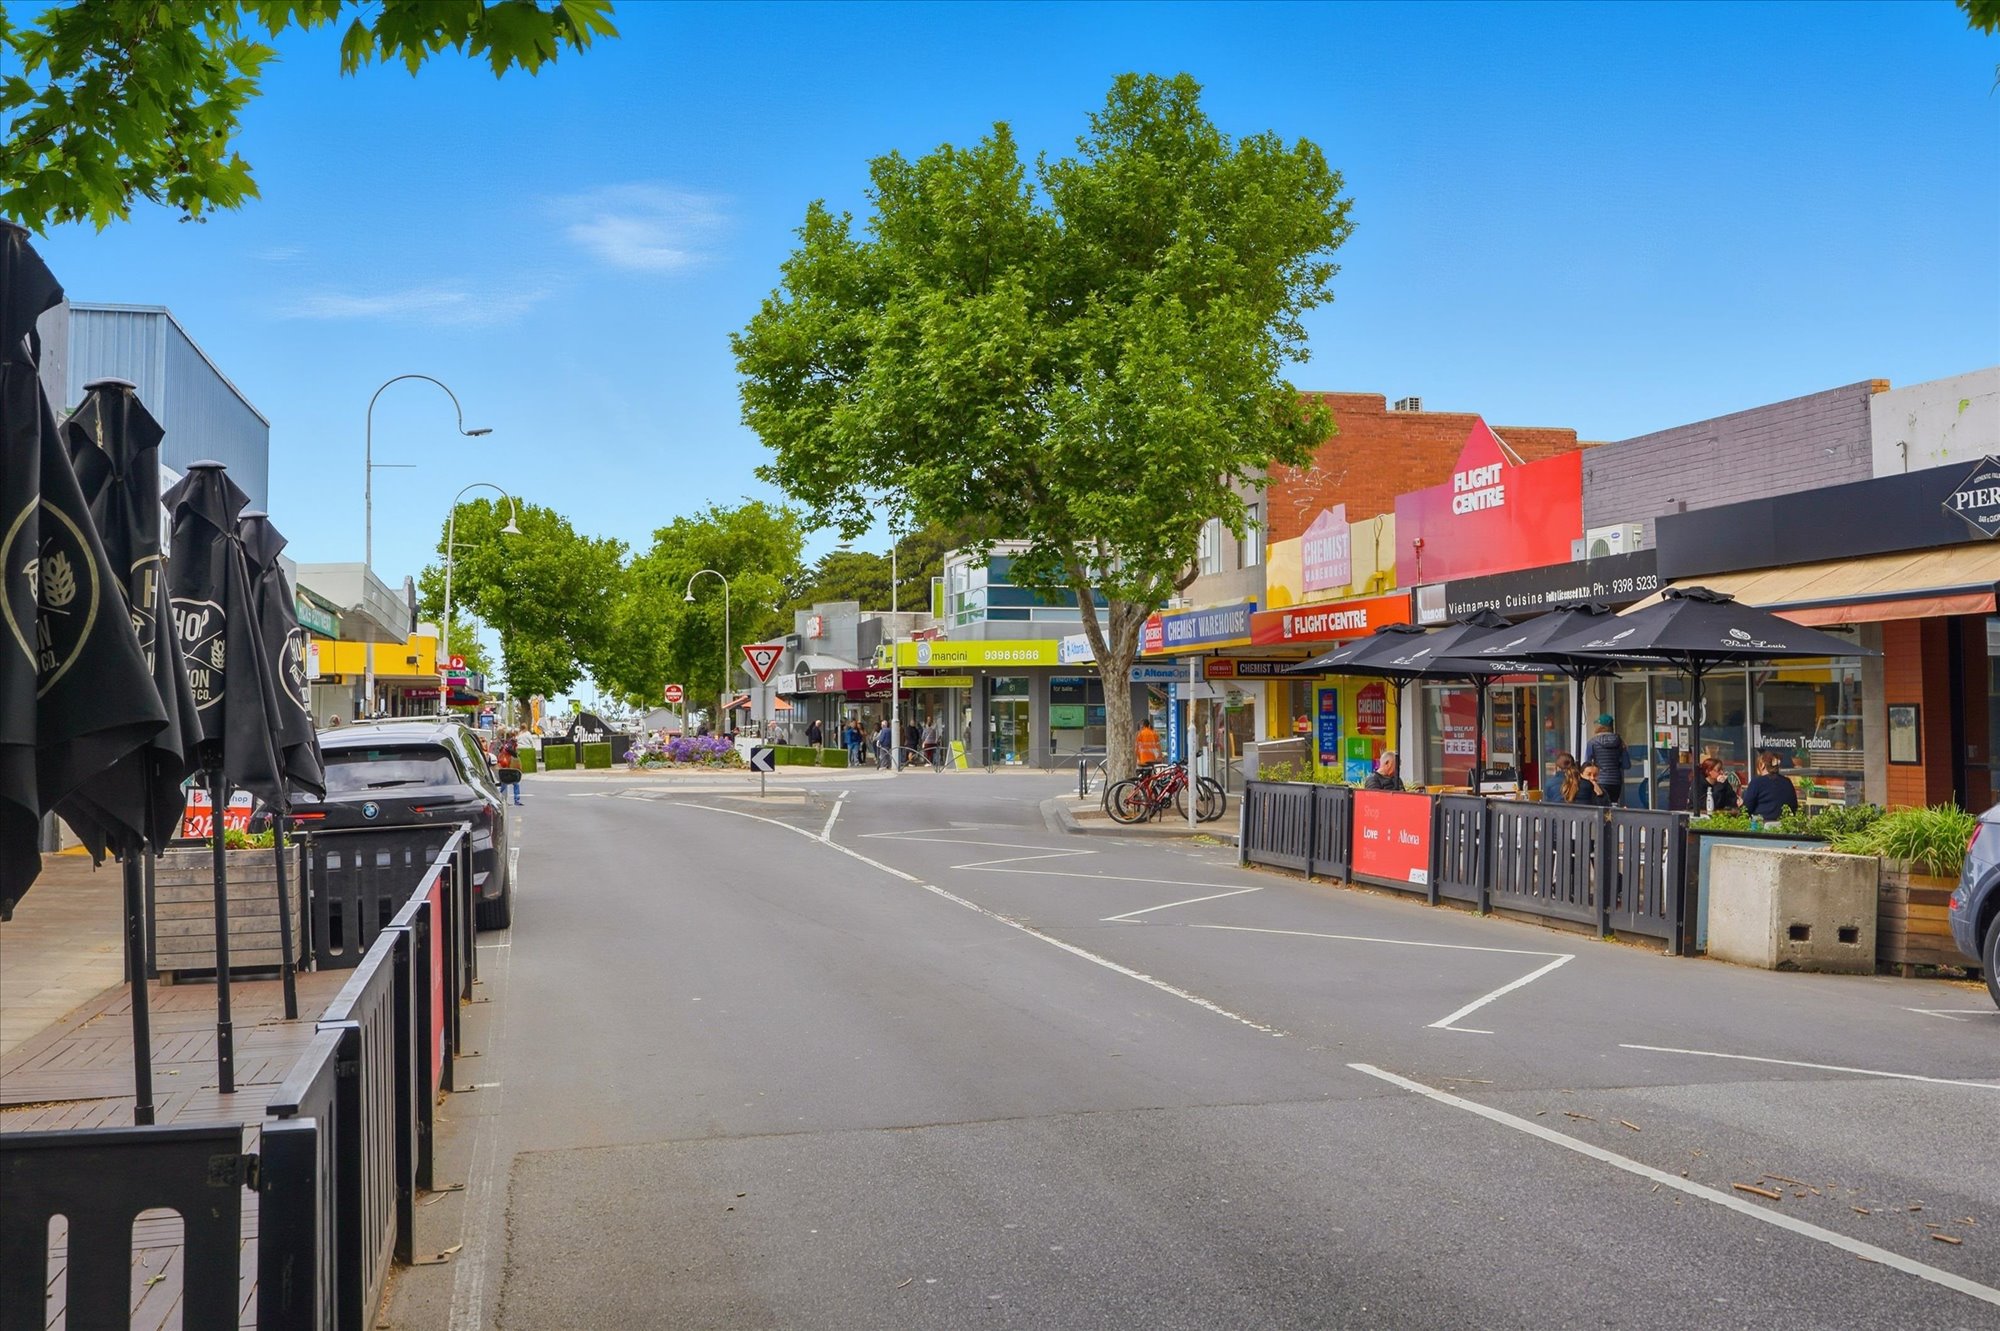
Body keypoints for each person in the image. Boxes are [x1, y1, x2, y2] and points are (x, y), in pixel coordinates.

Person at [1740, 751, 1799, 821]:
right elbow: (1794, 807)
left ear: (1762, 765)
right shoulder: (1787, 782)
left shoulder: (1757, 782)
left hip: (1761, 827)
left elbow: (1746, 809)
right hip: (1783, 826)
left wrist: (1741, 804)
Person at [1585, 714, 1628, 806]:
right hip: (1616, 782)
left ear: (1600, 727)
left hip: (1600, 780)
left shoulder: (1592, 742)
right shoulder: (1620, 741)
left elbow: (1587, 763)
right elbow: (1626, 765)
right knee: (1613, 807)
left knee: (1600, 807)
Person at [494, 728, 524, 805]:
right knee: (512, 783)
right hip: (508, 766)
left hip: (505, 765)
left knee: (507, 783)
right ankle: (514, 800)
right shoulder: (509, 743)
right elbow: (508, 749)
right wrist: (515, 754)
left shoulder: (504, 743)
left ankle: (499, 798)